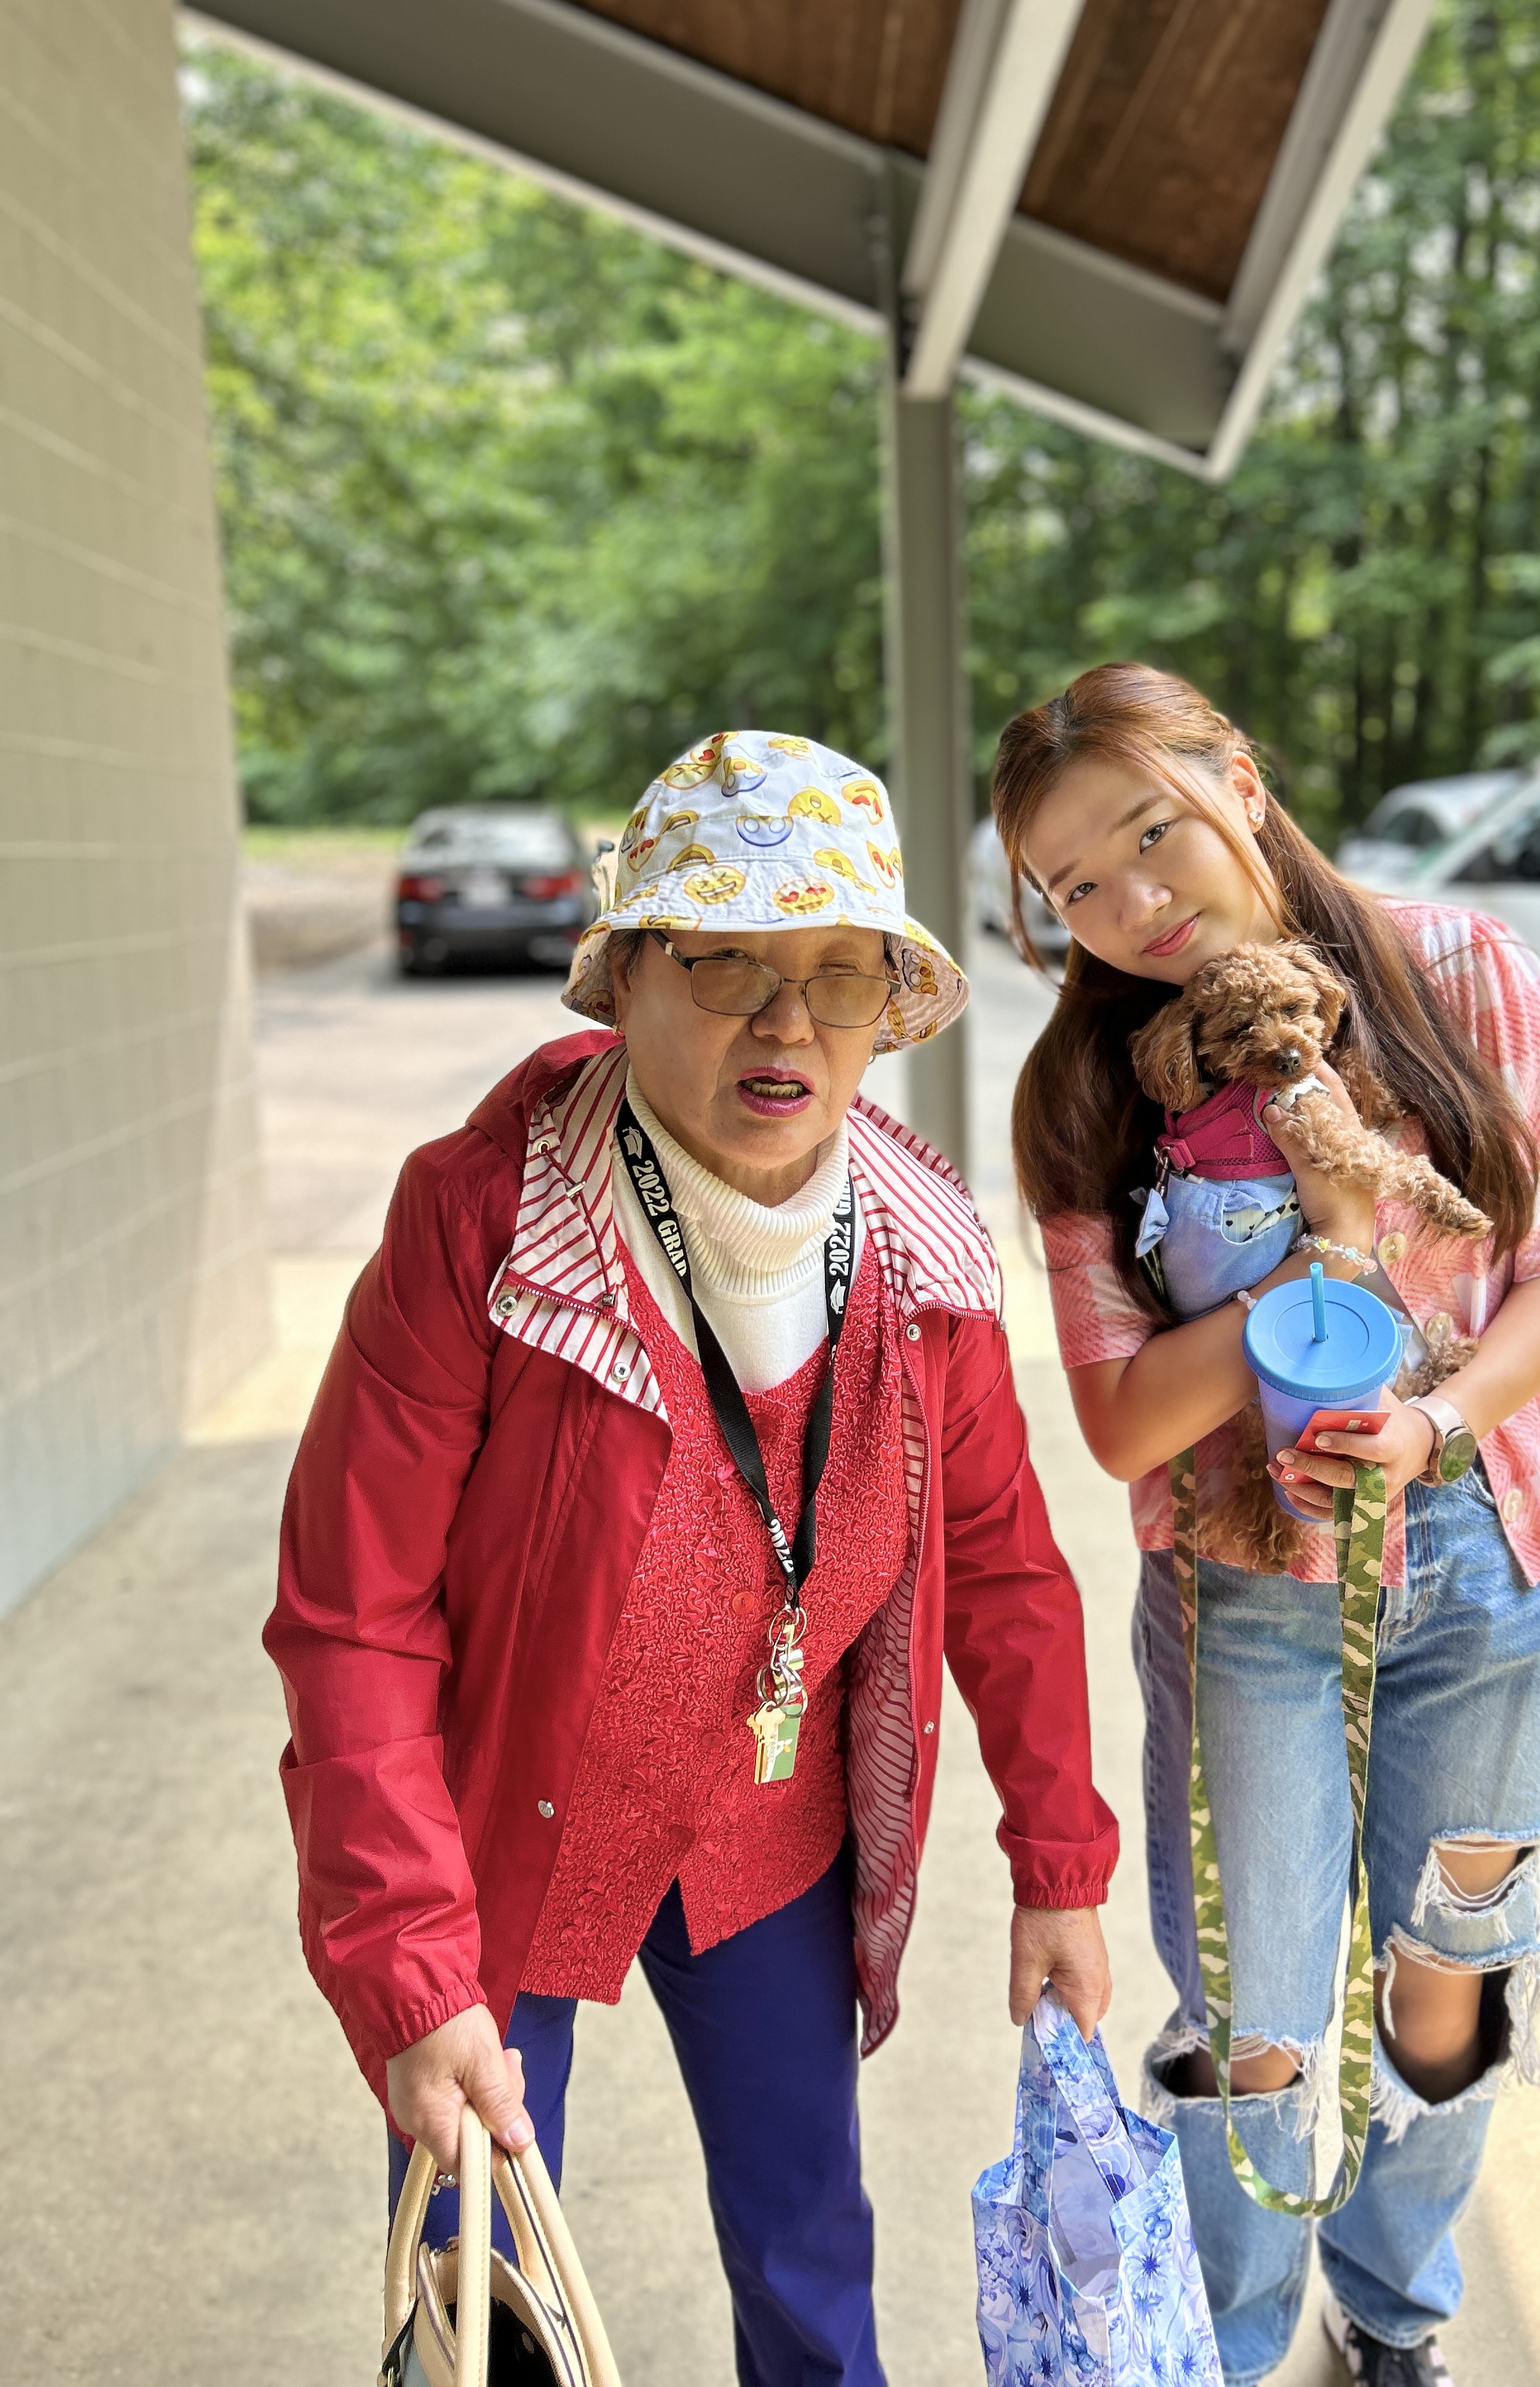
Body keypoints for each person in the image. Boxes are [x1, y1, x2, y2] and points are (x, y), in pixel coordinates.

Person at [266, 729, 1118, 2387]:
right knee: (481, 2282)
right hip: (511, 1830)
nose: (786, 1022)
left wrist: (1060, 1860)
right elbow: (352, 1616)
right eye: (727, 960)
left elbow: (1007, 1564)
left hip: (765, 1828)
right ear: (628, 978)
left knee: (809, 2249)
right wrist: (414, 1971)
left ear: (891, 1006)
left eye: (839, 973)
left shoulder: (924, 1249)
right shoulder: (486, 1220)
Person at [990, 666, 1540, 2387]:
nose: (1134, 904)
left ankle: (1396, 2306)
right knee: (1255, 2012)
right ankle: (1229, 2337)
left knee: (1455, 1969)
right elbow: (1126, 1420)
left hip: (1480, 1564)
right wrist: (1324, 1254)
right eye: (1076, 886)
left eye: (1155, 834)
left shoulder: (1461, 973)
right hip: (1247, 1596)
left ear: (1245, 784)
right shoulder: (1087, 1091)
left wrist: (1432, 1424)